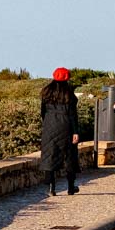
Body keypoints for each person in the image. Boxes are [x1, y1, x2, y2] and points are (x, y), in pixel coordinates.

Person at [39, 68, 80, 196]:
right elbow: (73, 115)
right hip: (66, 126)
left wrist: (47, 123)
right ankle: (70, 186)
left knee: (50, 155)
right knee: (69, 156)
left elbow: (42, 112)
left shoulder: (46, 92)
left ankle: (51, 187)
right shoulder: (69, 93)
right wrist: (75, 132)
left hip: (49, 125)